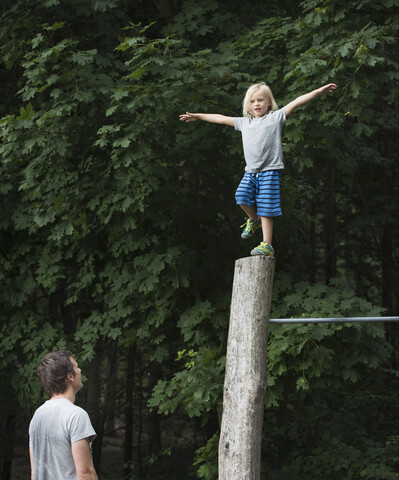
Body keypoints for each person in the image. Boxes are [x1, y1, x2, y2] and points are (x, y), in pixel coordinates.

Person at [179, 82, 337, 256]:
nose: (257, 104)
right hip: (251, 171)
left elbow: (298, 101)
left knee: (265, 207)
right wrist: (198, 116)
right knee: (241, 196)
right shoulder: (244, 123)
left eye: (260, 100)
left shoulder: (275, 117)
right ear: (249, 105)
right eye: (253, 101)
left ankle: (266, 244)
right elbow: (221, 118)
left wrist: (318, 91)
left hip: (270, 170)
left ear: (269, 102)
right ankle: (254, 220)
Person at [29, 350, 98, 480]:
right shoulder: (76, 415)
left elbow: (35, 472)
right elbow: (85, 472)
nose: (80, 370)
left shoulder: (37, 416)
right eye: (76, 367)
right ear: (70, 376)